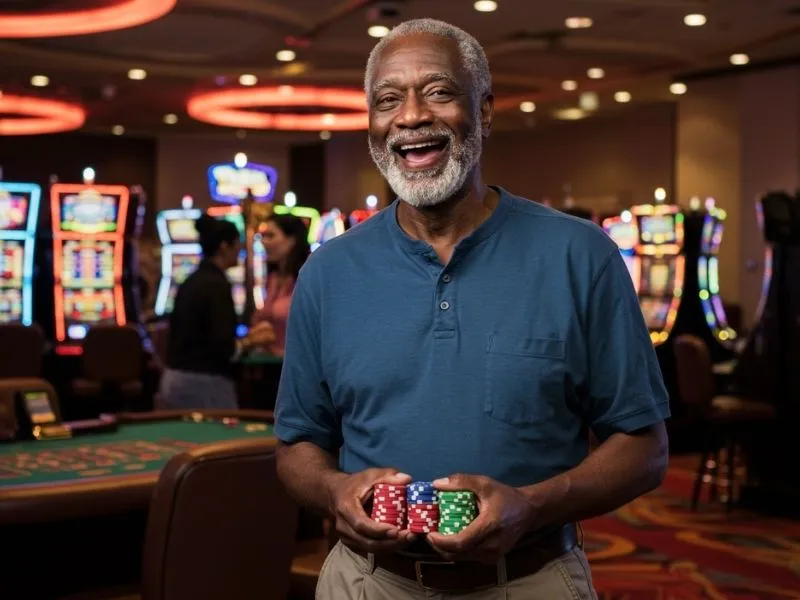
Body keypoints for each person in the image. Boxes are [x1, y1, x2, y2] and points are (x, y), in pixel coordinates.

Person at [274, 18, 669, 599]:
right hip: (367, 583)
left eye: (438, 92)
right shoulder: (328, 271)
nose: (410, 116)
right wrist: (333, 491)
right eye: (388, 100)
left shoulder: (580, 254)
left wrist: (531, 506)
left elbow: (646, 448)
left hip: (529, 580)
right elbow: (297, 446)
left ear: (483, 111)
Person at [160, 214, 274, 409]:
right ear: (224, 246)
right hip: (203, 384)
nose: (240, 250)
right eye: (236, 244)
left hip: (175, 379)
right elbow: (223, 348)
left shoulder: (193, 279)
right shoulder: (216, 285)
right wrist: (251, 341)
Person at [251, 213, 311, 357]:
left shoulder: (308, 276)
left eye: (270, 236)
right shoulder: (273, 278)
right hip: (271, 365)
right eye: (263, 236)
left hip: (299, 367)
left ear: (292, 240)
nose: (264, 242)